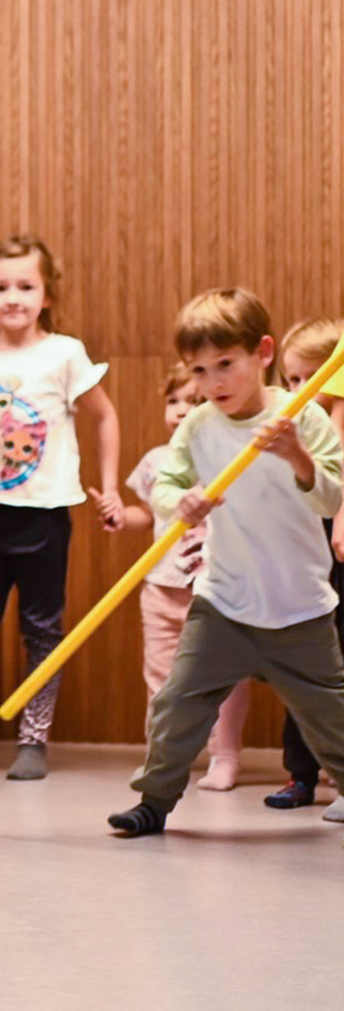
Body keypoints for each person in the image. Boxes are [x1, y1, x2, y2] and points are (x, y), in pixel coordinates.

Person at [109, 289, 344, 837]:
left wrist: (296, 456)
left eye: (225, 364)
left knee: (331, 715)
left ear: (262, 353)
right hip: (223, 604)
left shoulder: (303, 420)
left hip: (300, 608)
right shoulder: (198, 426)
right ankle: (154, 801)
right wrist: (179, 503)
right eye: (199, 370)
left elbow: (331, 500)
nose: (212, 382)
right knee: (177, 704)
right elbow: (165, 486)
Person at [0, 233, 124, 781]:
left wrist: (108, 487)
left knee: (42, 628)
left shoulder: (63, 353)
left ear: (46, 294)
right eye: (0, 287)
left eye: (25, 286)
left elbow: (104, 416)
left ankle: (34, 739)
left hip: (43, 516)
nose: (12, 297)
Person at [98, 363, 251, 790]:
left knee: (225, 676)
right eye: (174, 401)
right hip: (161, 590)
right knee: (161, 677)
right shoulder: (156, 461)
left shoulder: (231, 458)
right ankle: (163, 757)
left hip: (217, 590)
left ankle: (225, 755)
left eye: (195, 401)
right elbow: (146, 514)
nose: (182, 411)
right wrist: (118, 516)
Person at [262, 317, 344, 820]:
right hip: (302, 564)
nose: (298, 392)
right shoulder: (289, 432)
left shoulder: (331, 434)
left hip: (334, 554)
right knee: (302, 665)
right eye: (290, 380)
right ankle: (301, 773)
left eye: (309, 379)